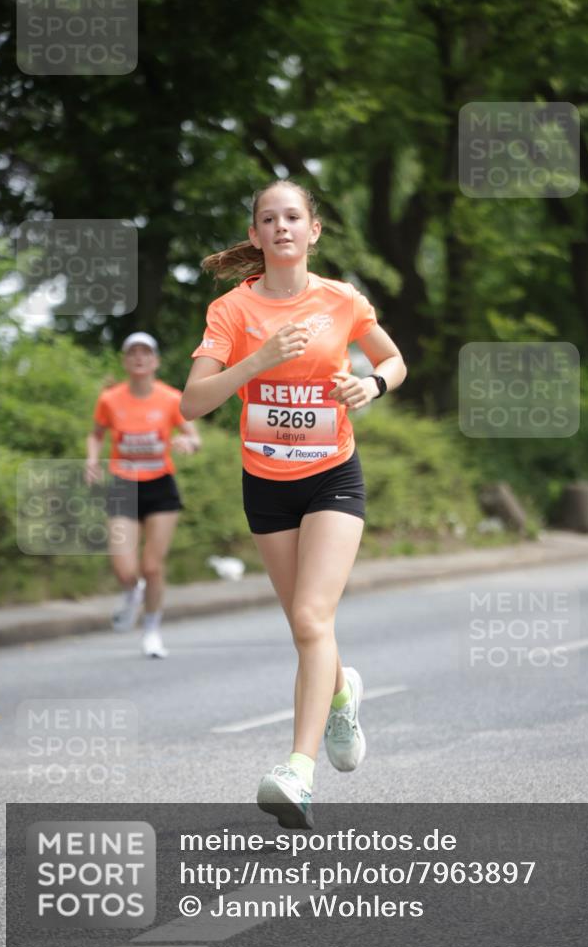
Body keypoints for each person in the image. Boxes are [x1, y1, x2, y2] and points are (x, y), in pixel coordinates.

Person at [182, 180, 406, 828]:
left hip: (333, 476)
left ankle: (297, 771)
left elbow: (393, 362)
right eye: (267, 219)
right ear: (254, 236)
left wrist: (370, 384)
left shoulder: (341, 301)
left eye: (293, 217)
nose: (281, 227)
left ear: (312, 231)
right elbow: (192, 403)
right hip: (266, 483)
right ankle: (342, 693)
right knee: (306, 627)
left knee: (312, 616)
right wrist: (256, 361)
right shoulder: (231, 311)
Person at [85, 332, 201, 658]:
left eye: (145, 352)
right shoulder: (110, 399)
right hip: (123, 484)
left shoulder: (169, 398)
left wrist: (187, 443)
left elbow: (194, 437)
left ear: (156, 361)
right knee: (124, 568)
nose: (139, 358)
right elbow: (96, 435)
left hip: (160, 485)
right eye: (132, 352)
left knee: (152, 567)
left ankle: (151, 631)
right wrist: (92, 459)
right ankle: (131, 592)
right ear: (125, 361)